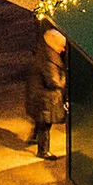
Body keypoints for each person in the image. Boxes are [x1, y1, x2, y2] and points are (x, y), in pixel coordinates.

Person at [24, 18, 68, 160]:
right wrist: (65, 77)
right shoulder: (49, 60)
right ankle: (43, 151)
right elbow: (54, 81)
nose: (63, 49)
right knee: (45, 125)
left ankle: (34, 137)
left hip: (38, 96)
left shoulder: (43, 52)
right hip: (45, 98)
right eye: (61, 46)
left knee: (40, 121)